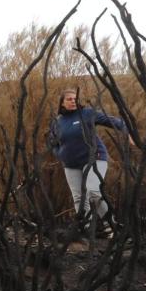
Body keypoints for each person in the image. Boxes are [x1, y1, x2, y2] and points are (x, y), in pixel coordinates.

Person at [49, 88, 129, 236]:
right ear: (62, 103)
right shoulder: (57, 122)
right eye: (69, 99)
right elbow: (53, 143)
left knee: (93, 191)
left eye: (75, 99)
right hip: (71, 164)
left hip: (95, 157)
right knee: (79, 197)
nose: (73, 101)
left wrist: (127, 128)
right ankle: (85, 229)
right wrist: (60, 154)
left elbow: (110, 120)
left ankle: (111, 225)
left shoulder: (86, 114)